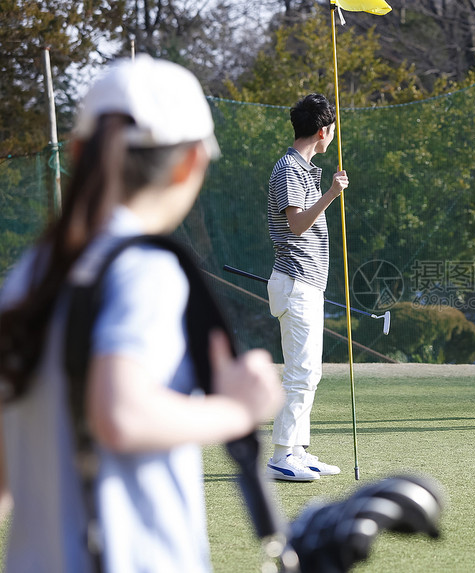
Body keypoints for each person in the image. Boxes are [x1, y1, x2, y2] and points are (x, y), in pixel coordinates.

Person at [0, 56, 283, 572]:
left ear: (80, 152)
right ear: (190, 162)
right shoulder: (145, 268)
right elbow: (120, 414)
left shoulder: (31, 274)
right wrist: (241, 408)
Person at [265, 93, 349, 481]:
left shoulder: (302, 169)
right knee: (300, 371)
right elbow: (297, 225)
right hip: (295, 280)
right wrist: (332, 194)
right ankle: (281, 455)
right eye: (332, 130)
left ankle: (297, 450)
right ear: (323, 131)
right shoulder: (288, 170)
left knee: (309, 371)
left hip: (306, 282)